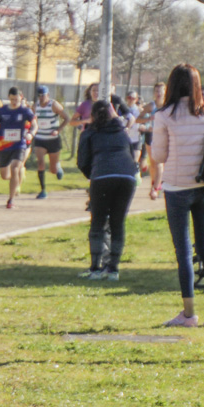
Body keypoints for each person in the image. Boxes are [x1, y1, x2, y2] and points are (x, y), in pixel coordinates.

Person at [150, 64, 204, 327]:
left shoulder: (164, 115)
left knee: (184, 252)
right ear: (197, 85)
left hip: (176, 188)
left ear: (172, 85)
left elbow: (159, 156)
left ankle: (188, 314)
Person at [77, 100, 137, 280]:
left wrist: (92, 175)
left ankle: (95, 268)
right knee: (117, 223)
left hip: (102, 175)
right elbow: (132, 154)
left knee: (98, 222)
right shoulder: (122, 131)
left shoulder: (89, 133)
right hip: (127, 177)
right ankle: (113, 269)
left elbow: (82, 161)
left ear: (93, 115)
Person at [0, 87, 37, 209]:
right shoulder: (2, 111)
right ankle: (15, 180)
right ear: (9, 98)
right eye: (12, 99)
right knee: (5, 175)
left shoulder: (25, 111)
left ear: (21, 97)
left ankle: (11, 200)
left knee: (15, 167)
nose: (14, 101)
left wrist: (31, 133)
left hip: (19, 144)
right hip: (4, 146)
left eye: (16, 99)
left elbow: (35, 125)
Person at [32, 85, 67, 199]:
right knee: (41, 163)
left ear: (48, 95)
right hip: (40, 139)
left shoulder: (54, 105)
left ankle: (57, 166)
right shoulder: (35, 106)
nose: (42, 98)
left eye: (44, 95)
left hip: (53, 140)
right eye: (40, 96)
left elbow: (67, 118)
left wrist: (58, 130)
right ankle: (43, 190)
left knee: (52, 170)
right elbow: (31, 120)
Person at [136, 82, 166, 174]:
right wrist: (149, 119)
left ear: (165, 92)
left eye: (160, 91)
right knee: (153, 162)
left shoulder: (168, 105)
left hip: (165, 135)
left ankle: (158, 185)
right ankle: (154, 184)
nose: (158, 94)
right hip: (152, 135)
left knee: (162, 162)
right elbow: (137, 119)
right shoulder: (151, 106)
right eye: (156, 91)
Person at [123, 90, 144, 163]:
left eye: (133, 98)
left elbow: (145, 122)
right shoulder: (122, 109)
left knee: (135, 163)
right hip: (125, 139)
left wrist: (142, 126)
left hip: (136, 138)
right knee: (126, 162)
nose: (131, 100)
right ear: (126, 98)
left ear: (136, 99)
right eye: (129, 97)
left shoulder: (139, 110)